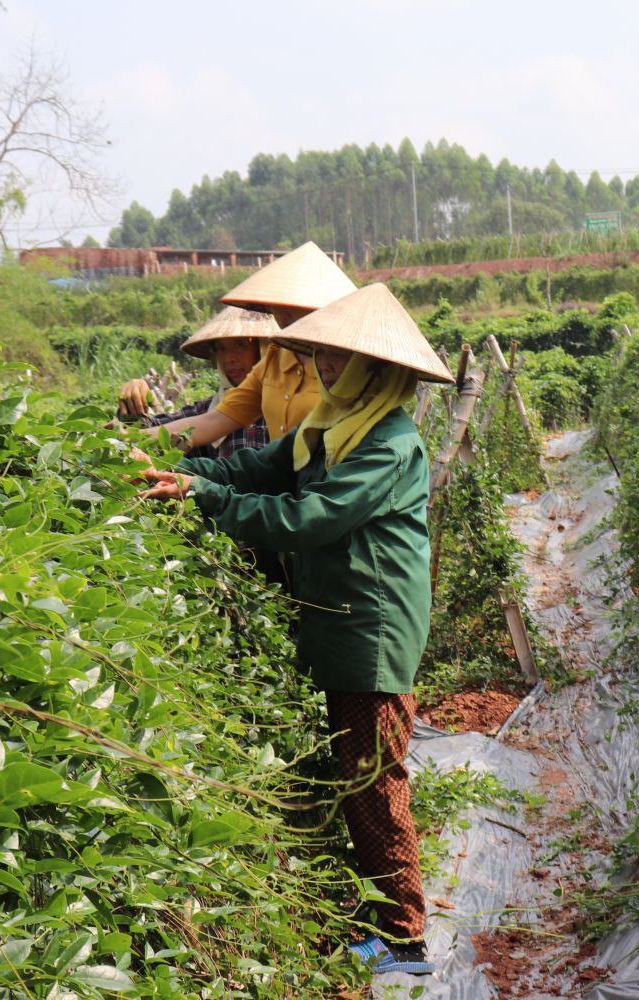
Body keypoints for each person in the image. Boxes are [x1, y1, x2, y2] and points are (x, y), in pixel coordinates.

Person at [136, 283, 454, 977]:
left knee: (374, 780)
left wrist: (209, 497)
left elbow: (307, 521)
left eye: (341, 357)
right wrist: (181, 473)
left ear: (380, 368)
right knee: (357, 772)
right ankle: (383, 915)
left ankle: (405, 936)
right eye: (323, 353)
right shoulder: (329, 427)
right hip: (339, 614)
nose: (326, 366)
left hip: (372, 623)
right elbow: (257, 464)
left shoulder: (388, 445)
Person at [152, 242, 355, 452]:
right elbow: (218, 419)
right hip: (281, 479)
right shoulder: (276, 359)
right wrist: (133, 439)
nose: (282, 315)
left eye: (292, 305)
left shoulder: (348, 363)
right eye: (276, 305)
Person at [116, 306, 273, 459]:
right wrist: (136, 395)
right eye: (221, 348)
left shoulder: (283, 405)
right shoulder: (209, 411)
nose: (229, 359)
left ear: (263, 349)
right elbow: (151, 429)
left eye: (240, 345)